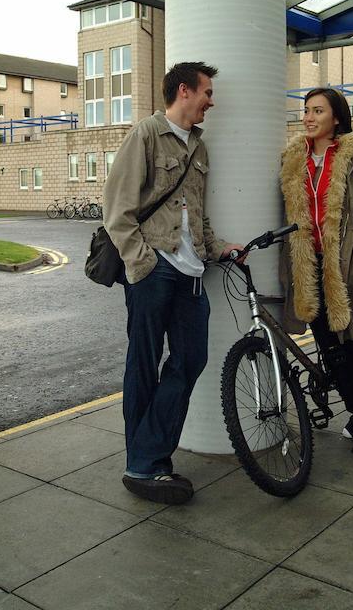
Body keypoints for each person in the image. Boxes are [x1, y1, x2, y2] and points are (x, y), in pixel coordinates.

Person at [104, 61, 242, 503]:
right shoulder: (146, 134)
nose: (211, 101)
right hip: (153, 269)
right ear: (184, 91)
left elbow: (194, 216)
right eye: (207, 92)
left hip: (192, 272)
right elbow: (117, 211)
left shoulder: (199, 148)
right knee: (143, 363)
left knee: (190, 360)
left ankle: (145, 459)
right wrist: (140, 263)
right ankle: (146, 465)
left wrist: (217, 246)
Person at [280, 87, 353, 456]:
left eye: (317, 111)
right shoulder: (293, 160)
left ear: (336, 118)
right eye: (306, 110)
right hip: (309, 272)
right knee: (332, 352)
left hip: (345, 274)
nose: (308, 117)